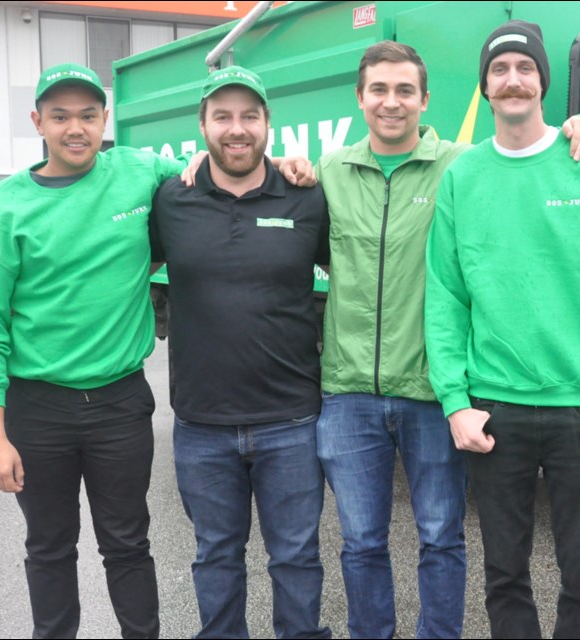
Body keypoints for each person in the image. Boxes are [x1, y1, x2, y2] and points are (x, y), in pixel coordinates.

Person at [314, 41, 580, 639]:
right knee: (361, 542)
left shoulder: (460, 164)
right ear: (359, 98)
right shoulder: (328, 173)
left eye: (404, 91)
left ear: (427, 100)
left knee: (442, 538)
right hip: (349, 393)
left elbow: (525, 140)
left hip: (430, 390)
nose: (391, 102)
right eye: (378, 90)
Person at [0, 62, 198, 639]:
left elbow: (204, 171)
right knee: (49, 548)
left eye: (88, 115)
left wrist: (286, 165)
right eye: (60, 116)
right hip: (37, 410)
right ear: (38, 122)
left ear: (105, 120)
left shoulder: (138, 170)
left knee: (128, 545)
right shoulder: (4, 209)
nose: (76, 128)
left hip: (120, 403)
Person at [424, 21, 580, 639]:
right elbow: (445, 296)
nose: (513, 79)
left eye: (525, 68)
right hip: (496, 412)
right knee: (505, 576)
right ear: (485, 88)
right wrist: (455, 401)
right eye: (499, 70)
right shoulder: (462, 179)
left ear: (543, 82)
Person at [149, 66, 331, 640]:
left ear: (268, 125)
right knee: (215, 558)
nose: (237, 129)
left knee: (297, 558)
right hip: (202, 425)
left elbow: (360, 273)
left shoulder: (307, 196)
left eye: (249, 116)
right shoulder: (170, 200)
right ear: (201, 126)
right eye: (222, 116)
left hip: (292, 422)